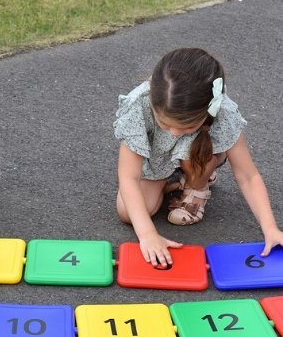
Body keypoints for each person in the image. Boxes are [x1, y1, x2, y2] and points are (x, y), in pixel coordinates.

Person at [114, 47, 283, 268]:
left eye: (186, 127)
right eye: (165, 124)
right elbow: (128, 177)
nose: (173, 133)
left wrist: (271, 228)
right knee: (128, 212)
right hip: (157, 161)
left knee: (195, 154)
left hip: (198, 154)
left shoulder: (223, 112)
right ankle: (174, 181)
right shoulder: (139, 105)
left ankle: (198, 184)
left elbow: (248, 175)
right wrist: (147, 235)